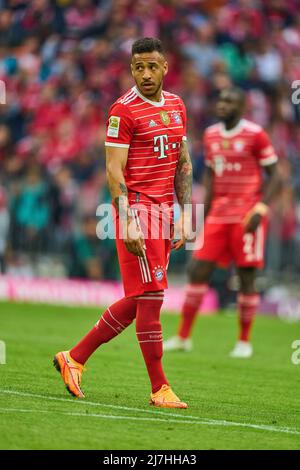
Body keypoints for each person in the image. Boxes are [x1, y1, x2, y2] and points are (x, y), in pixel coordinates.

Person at [53, 37, 193, 408]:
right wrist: (127, 219)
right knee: (151, 297)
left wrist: (185, 216)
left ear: (165, 67)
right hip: (138, 210)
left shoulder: (178, 106)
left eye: (152, 66)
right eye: (138, 67)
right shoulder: (122, 111)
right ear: (131, 69)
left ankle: (74, 357)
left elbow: (183, 164)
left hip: (165, 214)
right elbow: (114, 171)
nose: (145, 74)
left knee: (139, 299)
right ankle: (160, 387)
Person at [164, 87, 281, 358]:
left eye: (230, 102)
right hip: (218, 214)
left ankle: (244, 342)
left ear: (242, 107)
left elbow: (275, 175)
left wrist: (261, 208)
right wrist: (202, 220)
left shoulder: (255, 135)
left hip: (246, 216)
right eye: (221, 100)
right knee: (197, 271)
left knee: (246, 277)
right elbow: (211, 178)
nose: (223, 105)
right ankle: (183, 337)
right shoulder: (211, 135)